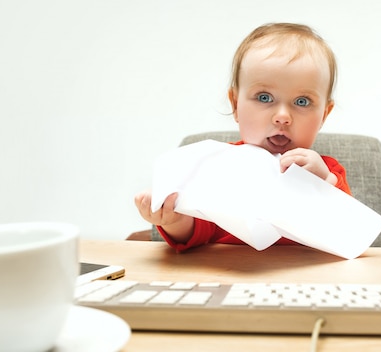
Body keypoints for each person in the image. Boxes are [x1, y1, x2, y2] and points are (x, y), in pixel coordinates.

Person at [135, 22, 351, 252]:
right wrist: (173, 219)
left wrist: (323, 184)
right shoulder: (218, 166)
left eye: (302, 102)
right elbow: (197, 230)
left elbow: (348, 230)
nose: (282, 117)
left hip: (305, 280)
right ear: (236, 105)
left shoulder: (327, 170)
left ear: (324, 115)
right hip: (229, 277)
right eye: (265, 97)